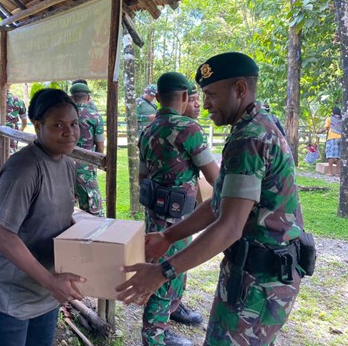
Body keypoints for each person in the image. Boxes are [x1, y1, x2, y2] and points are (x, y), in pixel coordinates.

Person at [117, 52, 306, 346]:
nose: (204, 104)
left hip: (259, 281)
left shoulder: (250, 138)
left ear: (240, 89)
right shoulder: (254, 126)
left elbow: (229, 226)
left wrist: (162, 272)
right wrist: (168, 236)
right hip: (255, 276)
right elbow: (219, 203)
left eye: (211, 95)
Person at [0, 88, 85, 346]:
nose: (69, 132)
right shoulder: (24, 168)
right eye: (58, 125)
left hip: (43, 286)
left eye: (74, 124)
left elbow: (60, 218)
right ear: (37, 126)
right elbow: (3, 237)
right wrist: (51, 281)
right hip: (10, 289)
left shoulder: (67, 164)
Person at [137, 72, 219, 346]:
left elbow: (142, 176)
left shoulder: (148, 129)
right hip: (178, 215)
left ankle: (172, 310)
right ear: (184, 96)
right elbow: (214, 178)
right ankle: (154, 335)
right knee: (165, 270)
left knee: (171, 264)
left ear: (159, 97)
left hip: (156, 210)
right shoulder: (189, 129)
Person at [69, 83, 105, 216]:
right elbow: (100, 146)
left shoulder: (63, 115)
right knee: (93, 208)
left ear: (71, 97)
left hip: (63, 164)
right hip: (86, 166)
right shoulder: (95, 116)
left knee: (67, 205)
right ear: (88, 98)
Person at [318, 106, 342, 175]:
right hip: (341, 138)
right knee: (339, 156)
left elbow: (325, 128)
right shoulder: (342, 119)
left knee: (331, 155)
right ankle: (337, 173)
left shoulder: (329, 119)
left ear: (333, 112)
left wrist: (319, 131)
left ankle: (330, 172)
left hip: (332, 138)